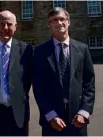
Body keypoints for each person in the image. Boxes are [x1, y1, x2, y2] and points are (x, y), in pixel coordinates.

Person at [33, 7, 95, 136]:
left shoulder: (82, 49)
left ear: (68, 22)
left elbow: (89, 83)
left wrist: (84, 112)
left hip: (77, 119)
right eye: (54, 20)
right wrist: (50, 115)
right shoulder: (40, 52)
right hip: (52, 121)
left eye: (62, 19)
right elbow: (39, 87)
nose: (59, 23)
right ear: (49, 24)